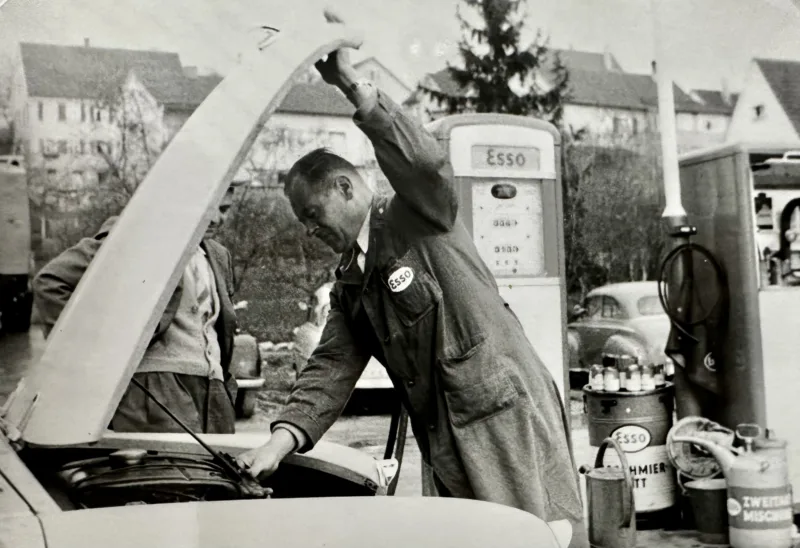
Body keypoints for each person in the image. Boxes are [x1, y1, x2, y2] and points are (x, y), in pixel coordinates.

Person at [236, 28, 588, 547]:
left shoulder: (415, 215)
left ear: (346, 186)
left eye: (313, 214)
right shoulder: (351, 285)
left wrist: (358, 93)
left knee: (534, 537)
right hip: (447, 438)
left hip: (505, 423)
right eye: (302, 222)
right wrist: (279, 442)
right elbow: (330, 366)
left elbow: (426, 166)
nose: (310, 230)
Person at [33, 186, 240, 434]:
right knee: (166, 471)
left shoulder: (217, 255)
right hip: (153, 389)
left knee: (216, 471)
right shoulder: (135, 238)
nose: (217, 218)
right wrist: (95, 350)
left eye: (224, 209)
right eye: (209, 208)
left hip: (213, 391)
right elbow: (51, 282)